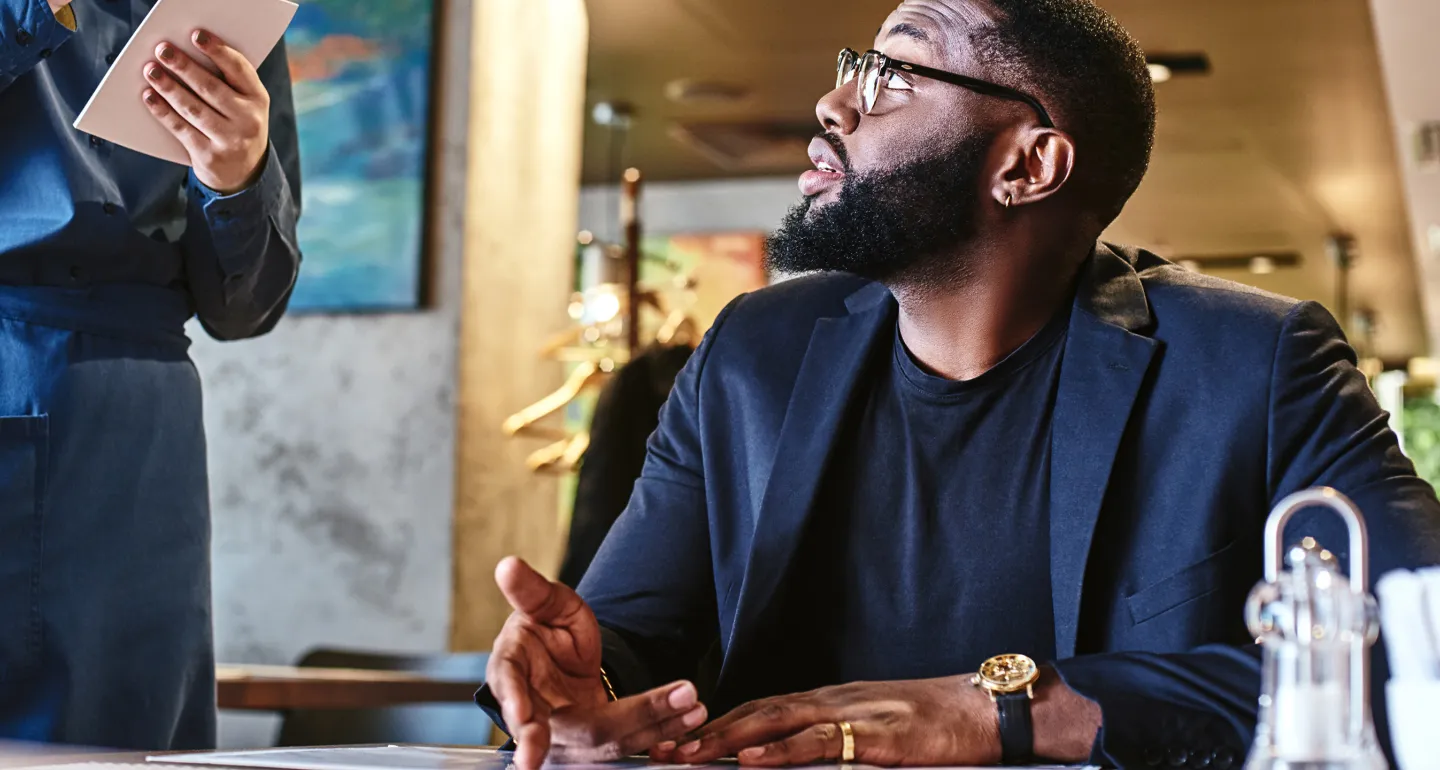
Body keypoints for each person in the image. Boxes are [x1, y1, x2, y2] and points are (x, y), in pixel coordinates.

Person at [476, 0, 1440, 767]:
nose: (835, 105)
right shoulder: (752, 354)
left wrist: (1001, 711)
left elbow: (1418, 651)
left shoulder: (1254, 365)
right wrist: (584, 690)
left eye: (894, 75)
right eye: (858, 68)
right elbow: (631, 638)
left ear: (1028, 163)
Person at [0, 0, 300, 750]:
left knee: (142, 739)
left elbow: (247, 308)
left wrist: (236, 178)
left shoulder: (232, 8)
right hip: (12, 358)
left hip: (147, 423)